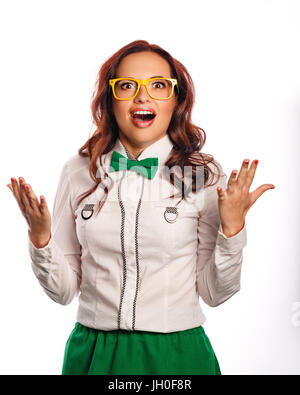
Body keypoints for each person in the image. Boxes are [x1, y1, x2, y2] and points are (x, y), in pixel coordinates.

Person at [7, 40, 275, 375]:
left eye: (159, 85)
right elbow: (63, 292)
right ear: (111, 99)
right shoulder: (78, 170)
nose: (143, 97)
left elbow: (215, 293)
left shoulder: (203, 173)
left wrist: (231, 231)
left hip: (178, 354)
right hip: (93, 353)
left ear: (176, 99)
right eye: (128, 86)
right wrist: (41, 238)